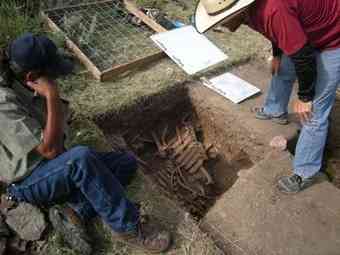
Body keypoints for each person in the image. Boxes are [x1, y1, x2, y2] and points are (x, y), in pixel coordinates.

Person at [0, 33, 171, 254]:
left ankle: (76, 210)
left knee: (125, 163)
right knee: (81, 159)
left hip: (48, 165)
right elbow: (51, 150)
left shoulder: (17, 78)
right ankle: (128, 227)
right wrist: (51, 95)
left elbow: (58, 146)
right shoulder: (3, 102)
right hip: (27, 182)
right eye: (52, 76)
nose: (56, 80)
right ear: (32, 76)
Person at [194, 0, 340, 193]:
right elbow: (275, 31)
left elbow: (304, 56)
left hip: (333, 37)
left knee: (315, 112)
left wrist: (305, 97)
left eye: (224, 20)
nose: (222, 26)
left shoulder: (273, 10)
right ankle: (275, 110)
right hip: (304, 29)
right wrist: (278, 54)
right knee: (282, 69)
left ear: (237, 10)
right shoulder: (252, 13)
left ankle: (304, 173)